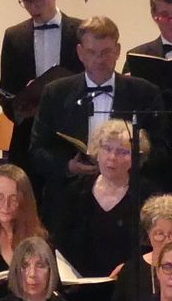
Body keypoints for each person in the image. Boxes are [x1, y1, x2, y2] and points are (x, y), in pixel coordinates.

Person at [27, 15, 164, 209]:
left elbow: (160, 151)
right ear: (80, 53)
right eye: (92, 52)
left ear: (118, 51)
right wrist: (68, 166)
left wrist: (125, 165)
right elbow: (38, 150)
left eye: (106, 52)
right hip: (69, 196)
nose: (99, 60)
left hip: (128, 198)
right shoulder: (56, 92)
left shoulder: (145, 93)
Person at [0, 0, 82, 162]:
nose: (33, 7)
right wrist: (22, 104)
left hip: (71, 135)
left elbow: (90, 82)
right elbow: (5, 92)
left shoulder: (80, 31)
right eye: (26, 1)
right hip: (27, 137)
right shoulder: (14, 36)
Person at [54, 118, 147, 284]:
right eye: (107, 148)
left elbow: (151, 247)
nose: (112, 157)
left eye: (122, 152)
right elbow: (60, 241)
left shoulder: (146, 195)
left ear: (135, 158)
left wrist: (130, 269)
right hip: (78, 286)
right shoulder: (75, 191)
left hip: (128, 285)